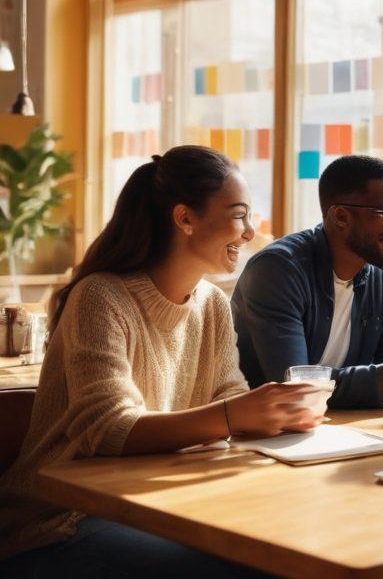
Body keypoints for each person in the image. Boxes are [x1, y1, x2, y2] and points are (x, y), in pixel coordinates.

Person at [1, 146, 319, 577]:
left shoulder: (212, 304)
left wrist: (277, 415)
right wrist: (234, 415)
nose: (249, 233)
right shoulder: (100, 297)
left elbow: (228, 396)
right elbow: (108, 430)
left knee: (292, 541)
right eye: (239, 215)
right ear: (184, 218)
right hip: (61, 520)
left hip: (158, 501)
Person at [231, 155, 383, 408]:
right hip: (260, 424)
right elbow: (293, 386)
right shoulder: (277, 270)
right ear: (341, 216)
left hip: (348, 420)